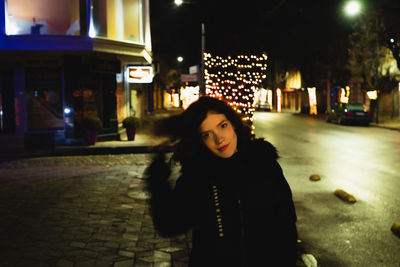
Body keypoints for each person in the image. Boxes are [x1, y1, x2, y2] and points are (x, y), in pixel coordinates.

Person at [145, 96, 298, 267]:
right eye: (207, 134)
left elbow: (287, 226)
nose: (219, 139)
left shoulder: (263, 163)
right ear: (199, 140)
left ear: (233, 124)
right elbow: (169, 224)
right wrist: (157, 175)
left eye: (223, 126)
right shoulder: (196, 178)